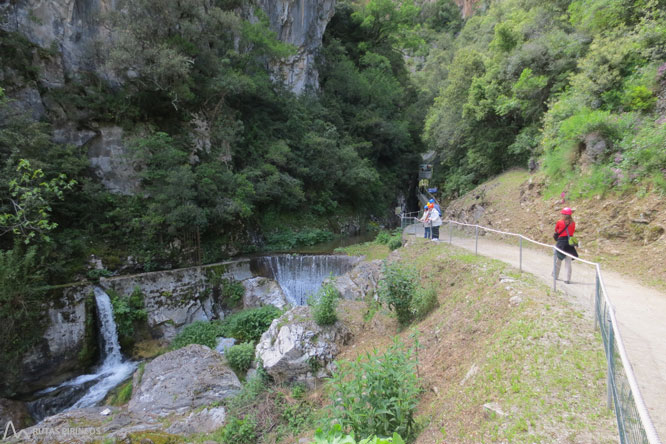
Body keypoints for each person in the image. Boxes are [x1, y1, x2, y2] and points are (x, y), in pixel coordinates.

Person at [553, 207, 578, 284]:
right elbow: (572, 231)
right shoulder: (573, 223)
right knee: (568, 261)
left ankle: (555, 275)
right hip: (569, 243)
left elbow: (556, 230)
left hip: (561, 242)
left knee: (558, 259)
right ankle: (567, 279)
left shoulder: (559, 222)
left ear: (563, 215)